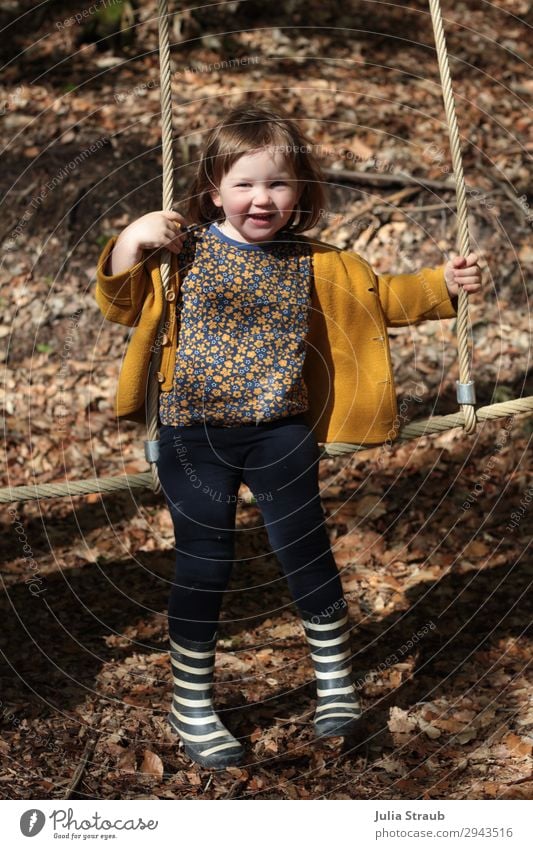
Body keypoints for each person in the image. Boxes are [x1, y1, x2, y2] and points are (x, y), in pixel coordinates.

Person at [95, 101, 482, 769]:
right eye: (243, 183)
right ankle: (191, 701)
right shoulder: (181, 251)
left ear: (299, 188)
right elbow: (119, 300)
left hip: (280, 430)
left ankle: (335, 683)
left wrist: (442, 285)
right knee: (205, 562)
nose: (261, 198)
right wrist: (132, 237)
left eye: (276, 183)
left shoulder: (316, 262)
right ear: (214, 190)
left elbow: (383, 299)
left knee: (304, 552)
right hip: (193, 434)